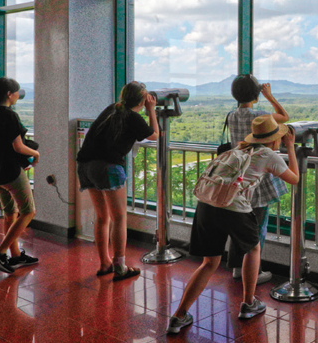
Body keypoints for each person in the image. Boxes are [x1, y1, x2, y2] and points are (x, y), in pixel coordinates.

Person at [167, 115, 299, 334]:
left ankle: (178, 315)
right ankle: (248, 304)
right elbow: (294, 178)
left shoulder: (239, 149)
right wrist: (291, 147)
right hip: (233, 206)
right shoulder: (267, 154)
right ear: (274, 140)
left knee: (209, 263)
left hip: (207, 204)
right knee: (253, 248)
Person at [76, 81, 158, 281]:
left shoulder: (113, 108)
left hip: (85, 165)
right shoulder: (133, 117)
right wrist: (151, 110)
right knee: (120, 217)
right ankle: (120, 267)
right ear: (142, 99)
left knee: (103, 216)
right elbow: (154, 135)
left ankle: (105, 262)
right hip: (108, 167)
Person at [226, 74, 289, 284]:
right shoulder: (260, 115)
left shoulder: (231, 116)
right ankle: (254, 271)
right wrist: (269, 96)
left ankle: (236, 268)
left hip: (239, 177)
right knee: (257, 228)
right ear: (255, 94)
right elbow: (284, 116)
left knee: (239, 225)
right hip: (259, 178)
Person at [0, 78, 40, 273]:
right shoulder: (9, 116)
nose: (17, 95)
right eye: (16, 92)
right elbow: (18, 146)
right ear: (9, 94)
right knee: (28, 211)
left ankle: (15, 256)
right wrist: (35, 154)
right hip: (10, 172)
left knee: (10, 212)